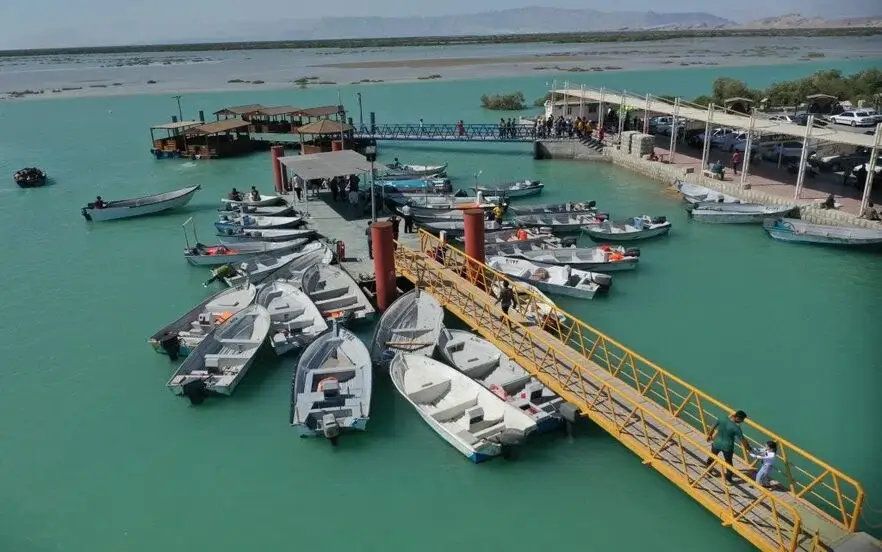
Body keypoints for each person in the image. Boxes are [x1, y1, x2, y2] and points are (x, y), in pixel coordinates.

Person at [705, 410, 751, 483]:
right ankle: (729, 478)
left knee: (712, 457)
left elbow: (713, 427)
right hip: (727, 447)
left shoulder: (722, 419)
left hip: (716, 443)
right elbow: (743, 440)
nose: (742, 422)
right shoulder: (736, 428)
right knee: (728, 462)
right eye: (742, 420)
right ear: (737, 418)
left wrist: (709, 435)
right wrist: (749, 449)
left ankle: (708, 471)